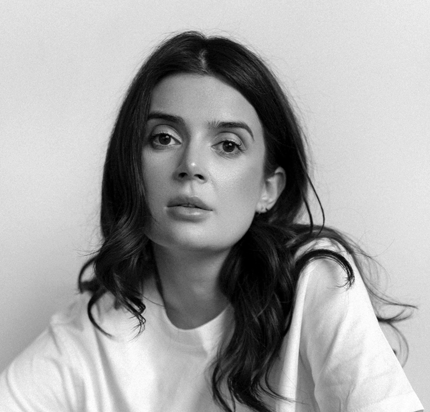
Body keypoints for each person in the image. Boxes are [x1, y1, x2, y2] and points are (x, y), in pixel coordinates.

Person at [0, 31, 423, 412]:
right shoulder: (95, 326)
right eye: (164, 138)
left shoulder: (315, 277)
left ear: (268, 189)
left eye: (227, 144)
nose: (191, 166)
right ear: (130, 165)